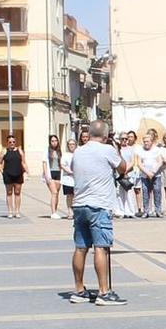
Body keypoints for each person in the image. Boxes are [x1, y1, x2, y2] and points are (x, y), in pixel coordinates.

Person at [68, 121, 128, 305]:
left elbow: (72, 168)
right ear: (105, 135)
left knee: (81, 247)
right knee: (101, 247)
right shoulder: (107, 150)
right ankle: (103, 292)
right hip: (99, 205)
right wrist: (116, 149)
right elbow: (123, 168)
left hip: (79, 204)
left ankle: (79, 290)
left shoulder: (78, 151)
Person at [0, 135, 25, 219]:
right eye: (10, 142)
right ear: (7, 142)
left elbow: (23, 163)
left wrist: (27, 172)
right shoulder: (4, 151)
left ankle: (17, 211)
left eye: (13, 142)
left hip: (18, 174)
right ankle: (10, 211)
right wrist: (2, 172)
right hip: (8, 175)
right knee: (9, 193)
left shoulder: (20, 151)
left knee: (17, 193)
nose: (12, 143)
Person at [43, 134, 65, 219]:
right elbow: (44, 163)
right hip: (50, 173)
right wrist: (46, 176)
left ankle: (55, 211)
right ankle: (53, 212)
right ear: (50, 142)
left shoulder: (60, 152)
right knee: (54, 193)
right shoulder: (47, 151)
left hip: (58, 173)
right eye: (52, 141)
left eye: (56, 141)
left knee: (57, 194)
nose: (54, 143)